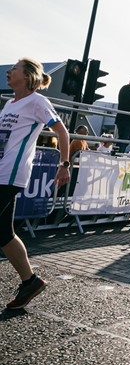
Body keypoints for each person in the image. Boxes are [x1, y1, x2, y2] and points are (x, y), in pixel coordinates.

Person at [1, 59, 71, 309]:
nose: (9, 71)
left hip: (10, 174)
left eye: (15, 68)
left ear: (28, 76)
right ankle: (30, 282)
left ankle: (30, 281)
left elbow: (62, 132)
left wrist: (64, 164)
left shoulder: (38, 101)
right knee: (3, 233)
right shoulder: (9, 103)